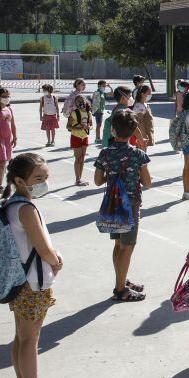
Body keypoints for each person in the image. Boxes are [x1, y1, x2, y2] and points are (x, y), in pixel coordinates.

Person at [0, 152, 66, 378]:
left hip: (20, 282)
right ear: (20, 180)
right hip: (33, 283)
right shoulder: (26, 209)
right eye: (38, 178)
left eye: (46, 177)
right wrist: (56, 261)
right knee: (30, 339)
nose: (44, 183)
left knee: (21, 337)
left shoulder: (11, 203)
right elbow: (43, 248)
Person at [94, 110, 150, 302]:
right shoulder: (138, 154)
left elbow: (97, 181)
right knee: (128, 246)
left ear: (113, 130)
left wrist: (112, 176)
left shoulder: (105, 153)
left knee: (118, 244)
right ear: (134, 131)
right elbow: (147, 182)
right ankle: (120, 290)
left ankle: (121, 279)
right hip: (131, 205)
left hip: (113, 204)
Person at [66, 93, 92, 186]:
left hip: (85, 137)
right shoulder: (74, 113)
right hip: (76, 137)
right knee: (78, 158)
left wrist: (89, 127)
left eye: (82, 100)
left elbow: (91, 124)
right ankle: (77, 179)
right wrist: (79, 128)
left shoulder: (88, 113)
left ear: (85, 101)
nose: (80, 102)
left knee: (83, 158)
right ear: (75, 103)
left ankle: (80, 178)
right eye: (78, 101)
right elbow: (68, 126)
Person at [131, 84, 155, 151]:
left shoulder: (144, 104)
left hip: (146, 134)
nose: (150, 95)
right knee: (142, 152)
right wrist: (142, 138)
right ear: (142, 94)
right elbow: (139, 124)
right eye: (148, 93)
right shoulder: (139, 106)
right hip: (142, 137)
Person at [92, 80, 108, 145]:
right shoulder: (97, 93)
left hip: (101, 111)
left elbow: (112, 93)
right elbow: (94, 102)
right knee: (98, 125)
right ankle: (97, 138)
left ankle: (98, 138)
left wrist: (110, 87)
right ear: (99, 86)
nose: (104, 87)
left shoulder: (102, 93)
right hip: (98, 111)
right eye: (103, 86)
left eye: (105, 86)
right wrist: (94, 111)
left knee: (99, 124)